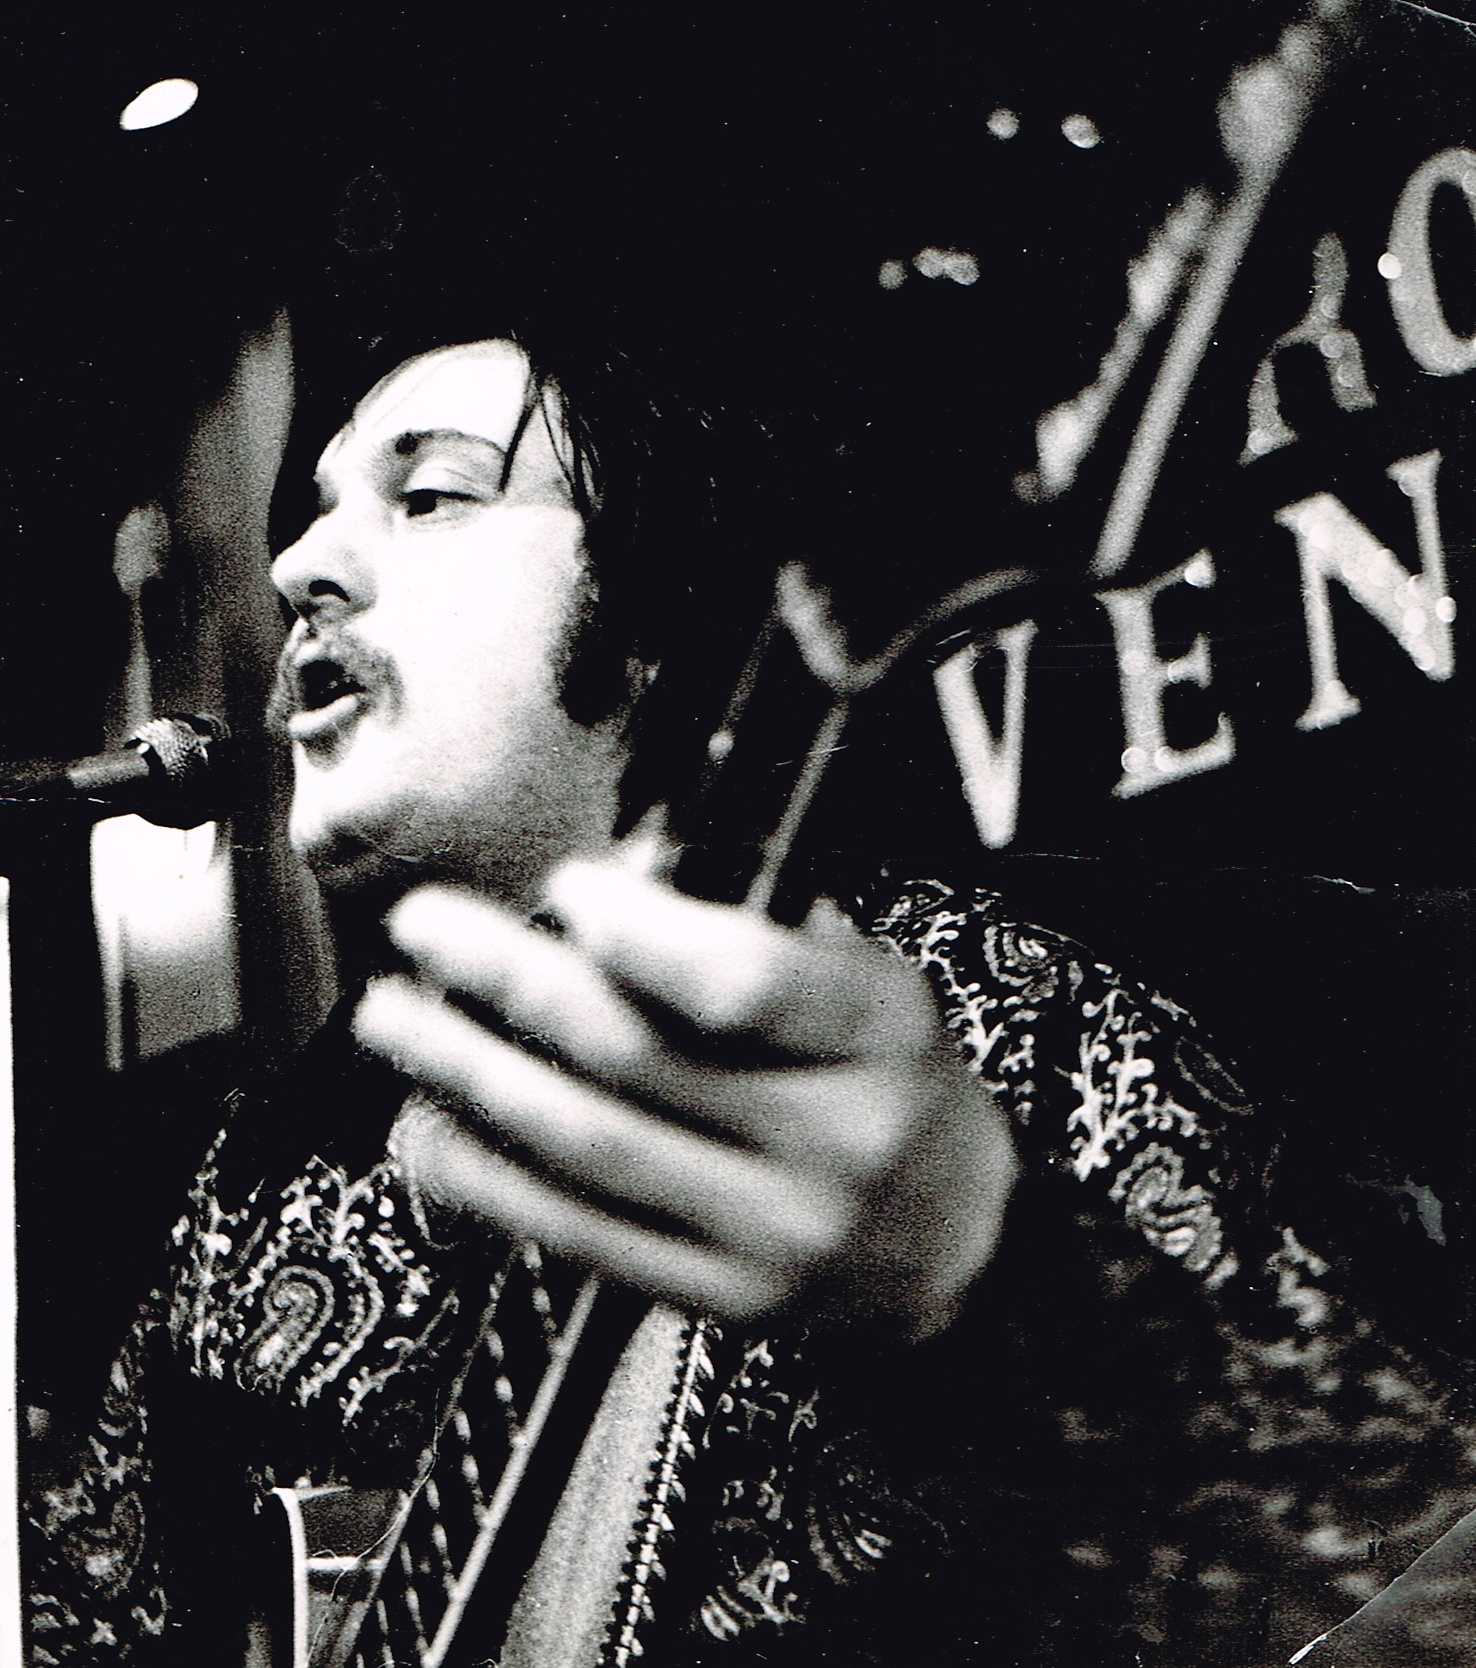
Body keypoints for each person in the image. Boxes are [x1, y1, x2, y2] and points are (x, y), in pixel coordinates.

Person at [23, 336, 1476, 1667]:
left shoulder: (975, 1034)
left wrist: (1000, 1285)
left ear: (653, 615)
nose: (298, 566)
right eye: (317, 506)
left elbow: (1416, 1585)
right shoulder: (267, 1169)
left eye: (433, 496)